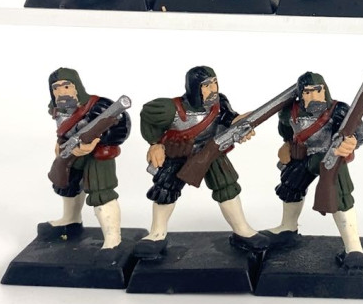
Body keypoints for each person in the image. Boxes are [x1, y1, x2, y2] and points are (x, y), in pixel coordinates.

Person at [133, 65, 268, 259]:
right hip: (179, 153)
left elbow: (228, 118)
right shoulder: (171, 108)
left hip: (211, 151)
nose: (213, 89)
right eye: (206, 85)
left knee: (227, 187)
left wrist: (241, 123)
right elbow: (147, 114)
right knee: (165, 190)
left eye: (215, 83)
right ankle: (157, 234)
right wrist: (155, 144)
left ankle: (242, 230)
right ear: (194, 87)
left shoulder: (220, 103)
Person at [264, 71, 363, 270]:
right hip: (302, 156)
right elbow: (286, 133)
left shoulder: (339, 110)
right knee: (290, 186)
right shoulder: (289, 112)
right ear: (300, 94)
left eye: (317, 91)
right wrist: (286, 146)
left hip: (330, 157)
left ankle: (353, 247)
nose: (313, 96)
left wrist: (351, 142)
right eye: (307, 92)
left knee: (341, 195)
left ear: (325, 90)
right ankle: (288, 228)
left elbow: (358, 133)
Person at [42, 67, 130, 249]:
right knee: (68, 183)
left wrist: (97, 141)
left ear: (77, 86)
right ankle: (70, 220)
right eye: (56, 88)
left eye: (67, 86)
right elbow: (63, 128)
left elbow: (122, 126)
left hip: (99, 155)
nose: (61, 91)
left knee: (101, 192)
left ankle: (113, 239)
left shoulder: (100, 107)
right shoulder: (58, 108)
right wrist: (61, 143)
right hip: (71, 151)